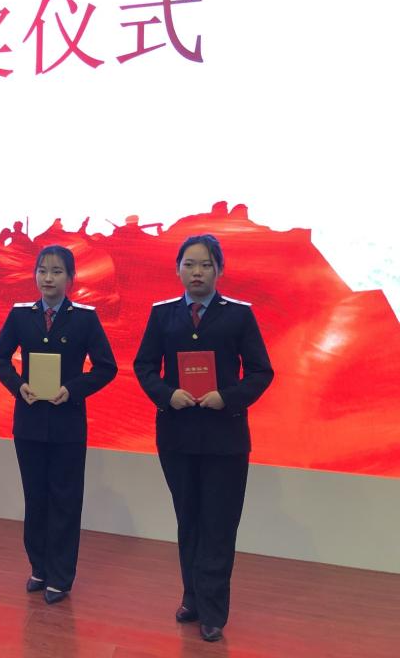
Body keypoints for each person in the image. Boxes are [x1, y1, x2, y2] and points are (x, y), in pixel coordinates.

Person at [133, 234, 273, 643]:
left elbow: (261, 372)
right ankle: (192, 597)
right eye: (189, 264)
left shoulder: (238, 316)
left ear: (219, 270)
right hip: (176, 436)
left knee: (218, 524)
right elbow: (144, 366)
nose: (197, 272)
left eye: (206, 265)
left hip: (225, 439)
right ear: (178, 269)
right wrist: (166, 394)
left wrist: (227, 397)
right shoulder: (163, 314)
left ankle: (213, 611)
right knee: (189, 519)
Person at [0, 245, 117, 604]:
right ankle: (39, 567)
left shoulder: (84, 319)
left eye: (57, 271)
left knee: (65, 500)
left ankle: (61, 575)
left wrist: (72, 390)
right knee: (36, 497)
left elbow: (106, 367)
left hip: (67, 425)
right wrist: (18, 386)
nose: (48, 278)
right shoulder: (20, 315)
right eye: (42, 271)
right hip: (29, 422)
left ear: (71, 278)